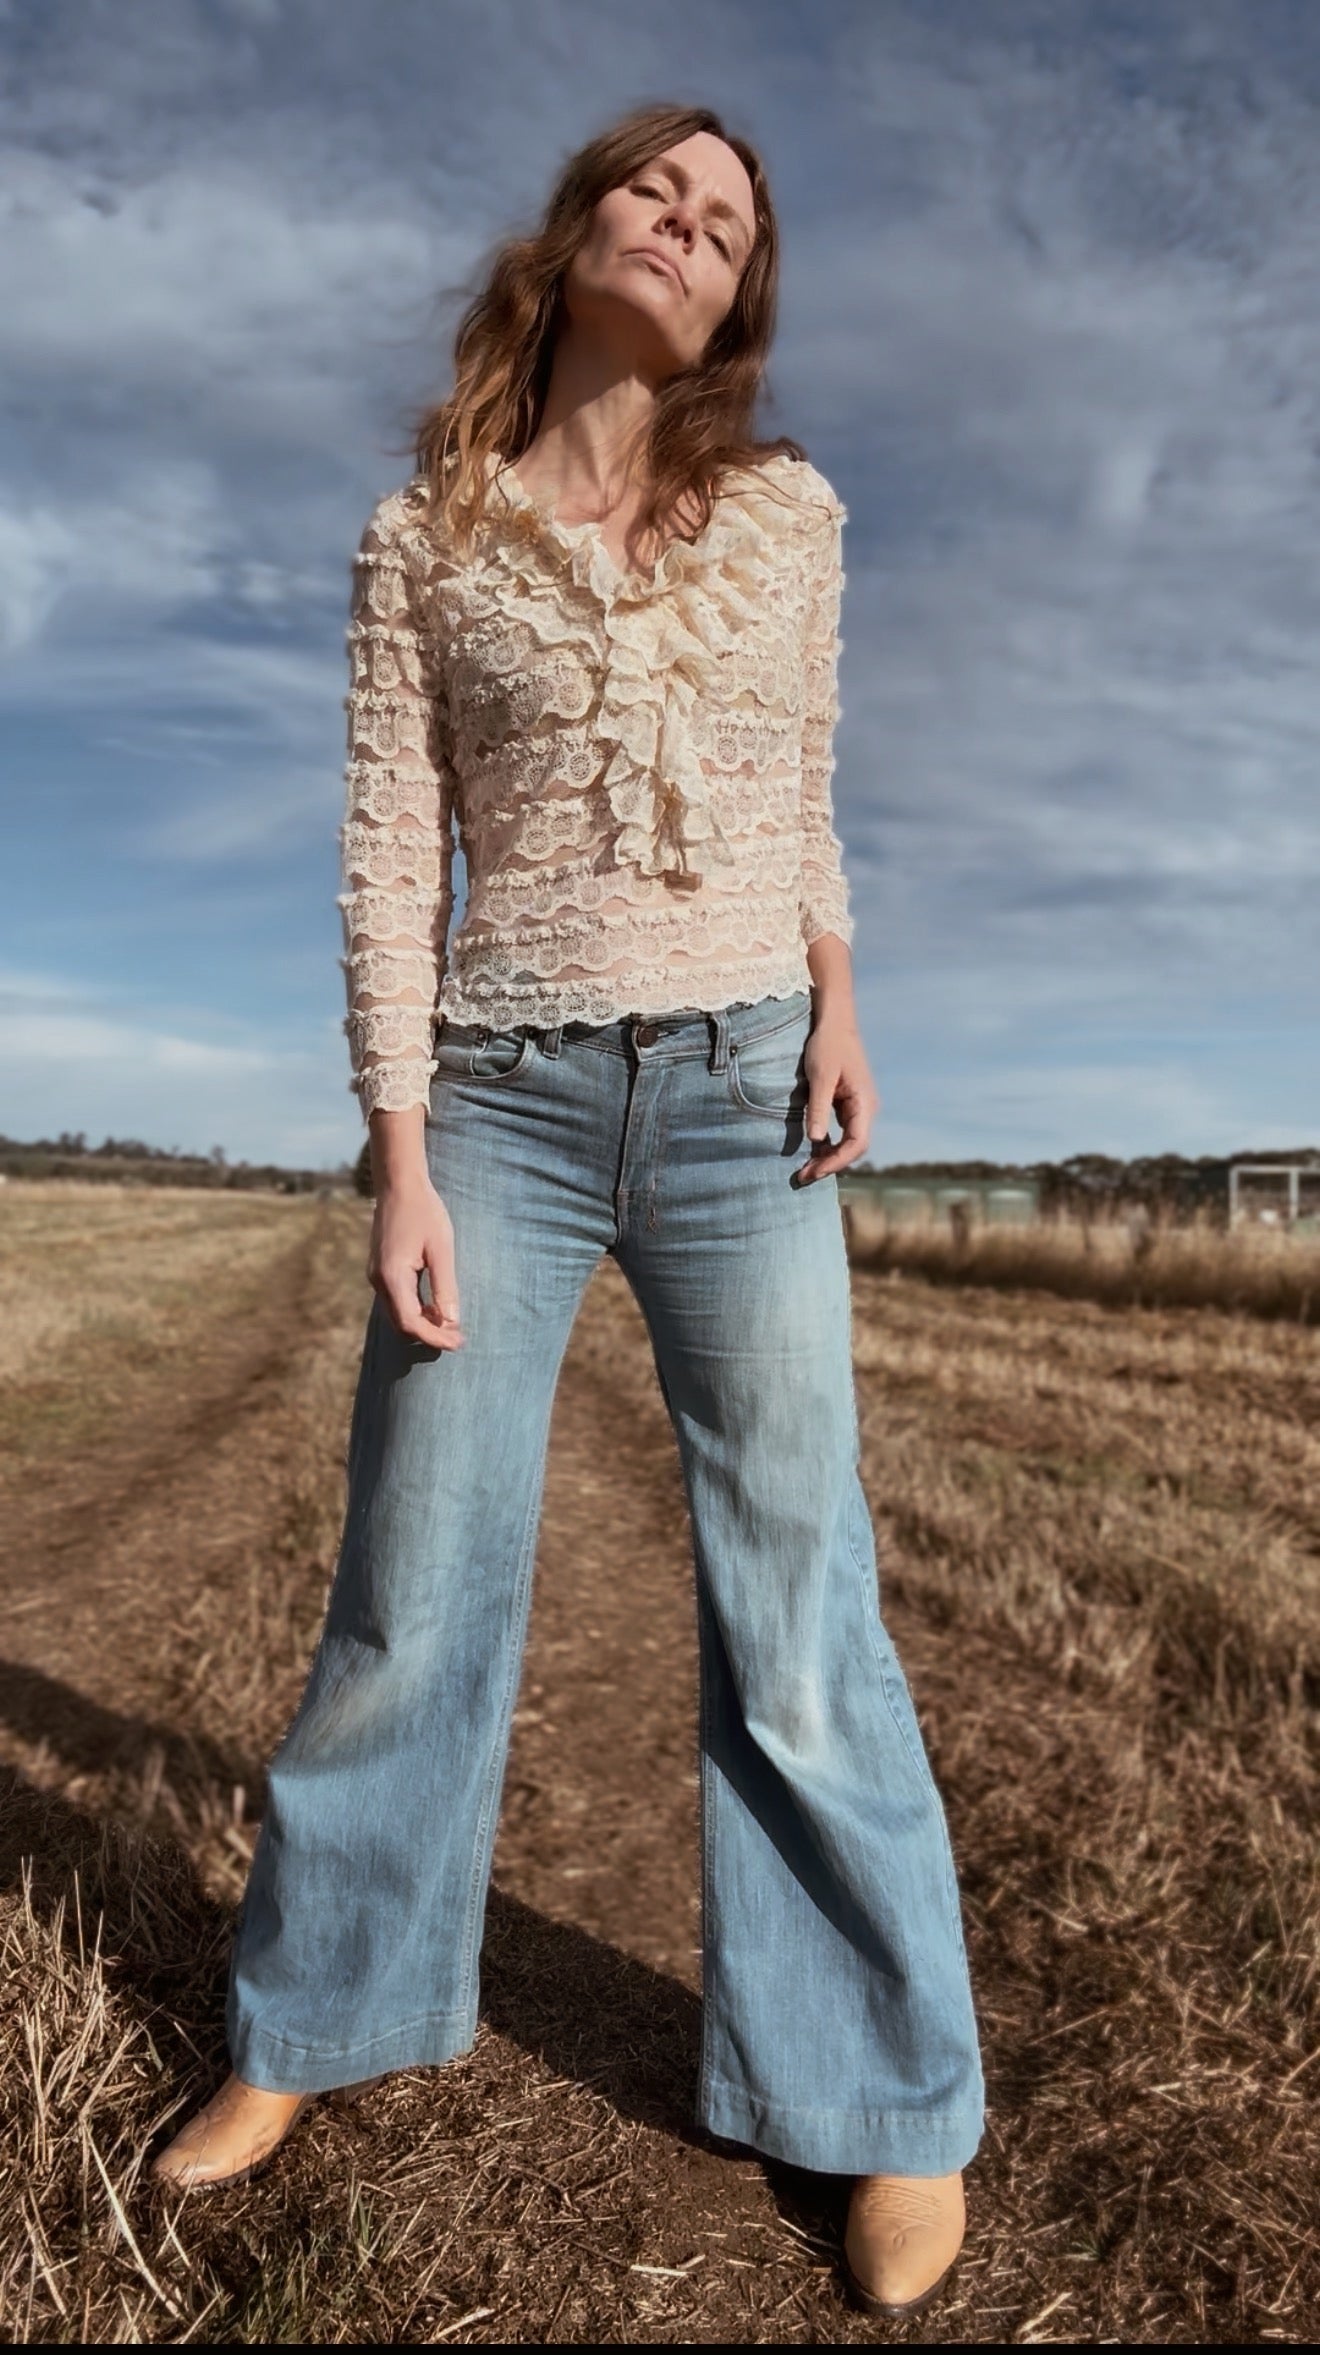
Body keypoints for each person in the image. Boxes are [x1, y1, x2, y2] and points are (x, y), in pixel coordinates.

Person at [152, 100, 984, 2320]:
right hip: (502, 1104)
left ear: (739, 291)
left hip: (733, 1085)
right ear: (582, 220)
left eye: (730, 225)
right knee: (412, 1581)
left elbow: (803, 788)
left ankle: (881, 2097)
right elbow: (384, 856)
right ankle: (308, 2022)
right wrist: (399, 1148)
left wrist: (837, 998)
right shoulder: (420, 537)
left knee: (801, 1595)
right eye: (664, 192)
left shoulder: (791, 515)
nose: (694, 231)